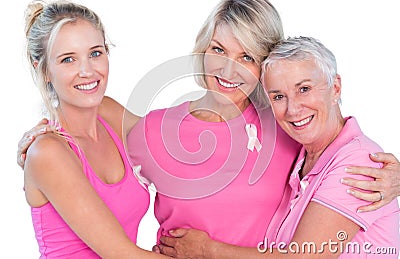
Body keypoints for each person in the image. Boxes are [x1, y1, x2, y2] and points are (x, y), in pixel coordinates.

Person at [18, 0, 400, 255]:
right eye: (218, 49)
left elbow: (340, 149)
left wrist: (397, 175)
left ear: (265, 70)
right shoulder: (154, 132)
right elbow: (89, 100)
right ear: (202, 50)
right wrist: (41, 126)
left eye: (247, 57)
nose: (227, 69)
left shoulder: (285, 127)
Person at [157, 36, 400, 258]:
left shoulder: (357, 163)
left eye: (304, 89)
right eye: (278, 96)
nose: (293, 109)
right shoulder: (302, 155)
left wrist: (206, 250)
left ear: (335, 87)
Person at [23, 0, 170, 258]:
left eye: (95, 53)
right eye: (68, 59)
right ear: (43, 70)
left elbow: (176, 147)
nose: (87, 71)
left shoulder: (110, 113)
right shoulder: (48, 152)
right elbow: (123, 254)